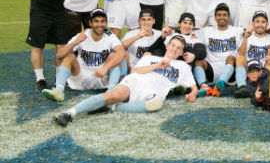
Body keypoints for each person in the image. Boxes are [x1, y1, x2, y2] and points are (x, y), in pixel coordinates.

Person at [52, 35, 197, 127]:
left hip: (153, 92)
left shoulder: (183, 66)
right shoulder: (150, 58)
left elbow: (193, 86)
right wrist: (158, 65)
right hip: (137, 82)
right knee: (113, 96)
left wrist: (193, 94)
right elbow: (135, 71)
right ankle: (69, 113)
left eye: (179, 48)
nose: (175, 49)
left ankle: (111, 108)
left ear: (181, 52)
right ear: (167, 46)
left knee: (155, 104)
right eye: (173, 45)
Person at [42, 8, 125, 102]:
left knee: (114, 56)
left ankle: (111, 92)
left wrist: (105, 67)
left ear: (106, 23)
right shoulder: (82, 35)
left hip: (101, 78)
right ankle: (59, 91)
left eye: (102, 21)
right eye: (96, 21)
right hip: (81, 79)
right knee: (70, 56)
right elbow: (59, 55)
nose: (100, 24)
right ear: (90, 23)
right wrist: (74, 43)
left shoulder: (110, 36)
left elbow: (121, 52)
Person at [27, 0, 77, 91]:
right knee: (38, 45)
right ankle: (40, 79)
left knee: (61, 45)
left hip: (58, 11)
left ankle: (59, 78)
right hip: (40, 10)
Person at [193, 3, 245, 97]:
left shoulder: (237, 31)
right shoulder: (206, 31)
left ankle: (220, 83)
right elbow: (189, 32)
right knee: (198, 61)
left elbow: (254, 30)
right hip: (211, 70)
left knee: (231, 57)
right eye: (219, 15)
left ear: (228, 17)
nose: (222, 17)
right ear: (215, 17)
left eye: (225, 15)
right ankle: (204, 86)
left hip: (230, 73)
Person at [233, 10, 270, 96]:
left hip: (264, 73)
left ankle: (265, 87)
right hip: (249, 72)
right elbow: (241, 54)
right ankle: (242, 87)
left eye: (263, 22)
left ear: (267, 24)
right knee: (239, 58)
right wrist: (245, 37)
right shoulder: (247, 38)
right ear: (253, 23)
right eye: (257, 21)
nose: (260, 24)